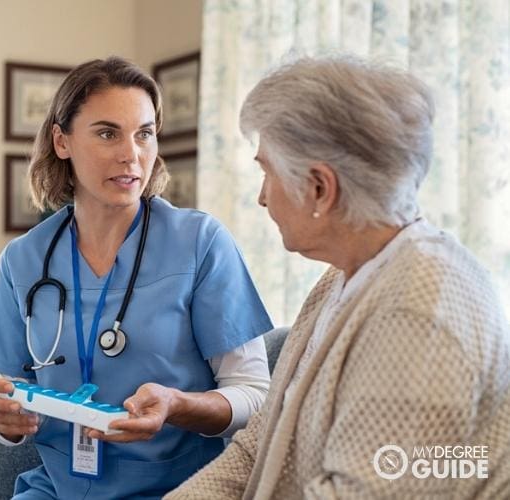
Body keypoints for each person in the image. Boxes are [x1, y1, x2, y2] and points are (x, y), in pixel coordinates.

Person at [167, 55, 510, 499]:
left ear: (320, 188)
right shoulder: (343, 277)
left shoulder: (419, 309)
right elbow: (256, 448)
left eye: (267, 171)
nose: (262, 197)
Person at [0, 56, 274, 500]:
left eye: (144, 134)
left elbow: (253, 396)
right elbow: (3, 393)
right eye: (107, 133)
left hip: (181, 490)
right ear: (62, 141)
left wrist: (177, 405)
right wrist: (3, 421)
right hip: (59, 489)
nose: (131, 154)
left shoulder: (200, 243)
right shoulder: (23, 260)